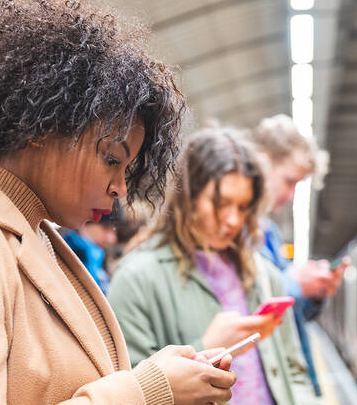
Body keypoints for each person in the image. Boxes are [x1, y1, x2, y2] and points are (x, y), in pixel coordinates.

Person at [0, 0, 235, 404]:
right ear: (43, 127)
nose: (121, 189)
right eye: (111, 159)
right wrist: (149, 391)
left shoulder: (30, 236)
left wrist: (163, 380)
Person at [108, 129, 320, 405]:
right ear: (189, 197)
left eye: (243, 207)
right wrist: (205, 347)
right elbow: (130, 392)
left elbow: (293, 369)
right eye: (221, 204)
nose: (233, 220)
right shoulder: (136, 280)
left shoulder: (263, 273)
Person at [251, 114, 346, 396]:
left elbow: (290, 318)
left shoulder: (269, 235)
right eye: (289, 181)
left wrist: (314, 292)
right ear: (263, 161)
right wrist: (292, 283)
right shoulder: (230, 235)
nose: (292, 195)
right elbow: (247, 315)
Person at [63, 219, 117, 293]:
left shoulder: (100, 255)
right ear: (86, 222)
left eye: (114, 232)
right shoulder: (69, 246)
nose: (111, 239)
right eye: (106, 228)